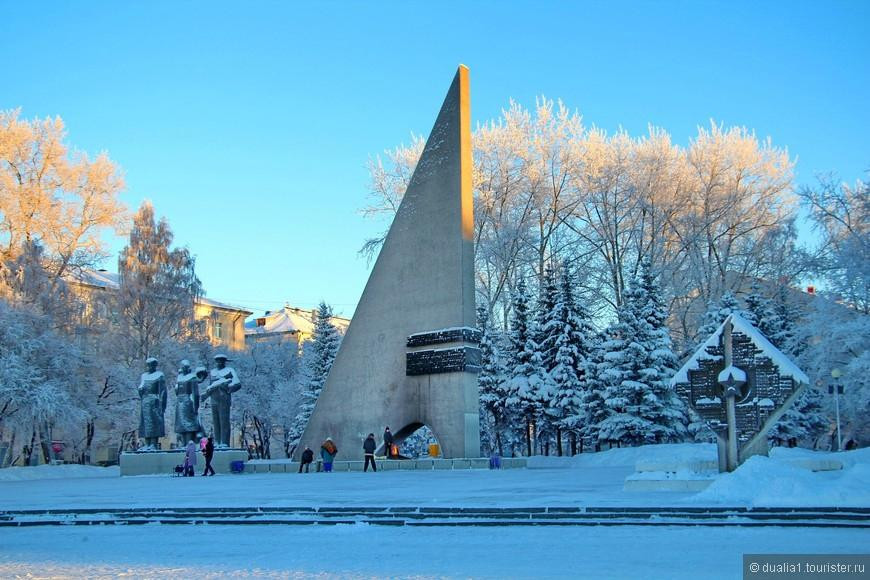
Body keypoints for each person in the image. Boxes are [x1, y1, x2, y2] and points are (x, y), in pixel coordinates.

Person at [203, 354, 241, 448]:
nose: (219, 363)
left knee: (224, 421)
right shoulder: (212, 372)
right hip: (213, 400)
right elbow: (210, 387)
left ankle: (224, 442)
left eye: (221, 361)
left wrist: (228, 389)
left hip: (224, 399)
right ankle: (217, 442)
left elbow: (237, 384)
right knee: (215, 422)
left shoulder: (230, 371)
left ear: (224, 361)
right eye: (218, 361)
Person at [137, 357, 167, 450]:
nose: (150, 367)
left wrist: (162, 405)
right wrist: (140, 390)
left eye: (151, 365)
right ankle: (147, 443)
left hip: (155, 402)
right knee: (146, 423)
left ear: (155, 365)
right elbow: (141, 390)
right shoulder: (144, 376)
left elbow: (163, 392)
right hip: (145, 402)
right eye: (148, 365)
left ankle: (153, 443)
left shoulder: (159, 375)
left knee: (154, 422)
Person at [174, 360, 204, 447]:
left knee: (189, 424)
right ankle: (183, 442)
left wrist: (195, 407)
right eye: (183, 367)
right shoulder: (179, 377)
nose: (184, 369)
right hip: (180, 403)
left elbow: (195, 394)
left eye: (186, 367)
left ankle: (189, 441)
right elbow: (177, 391)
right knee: (181, 424)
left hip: (188, 402)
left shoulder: (192, 378)